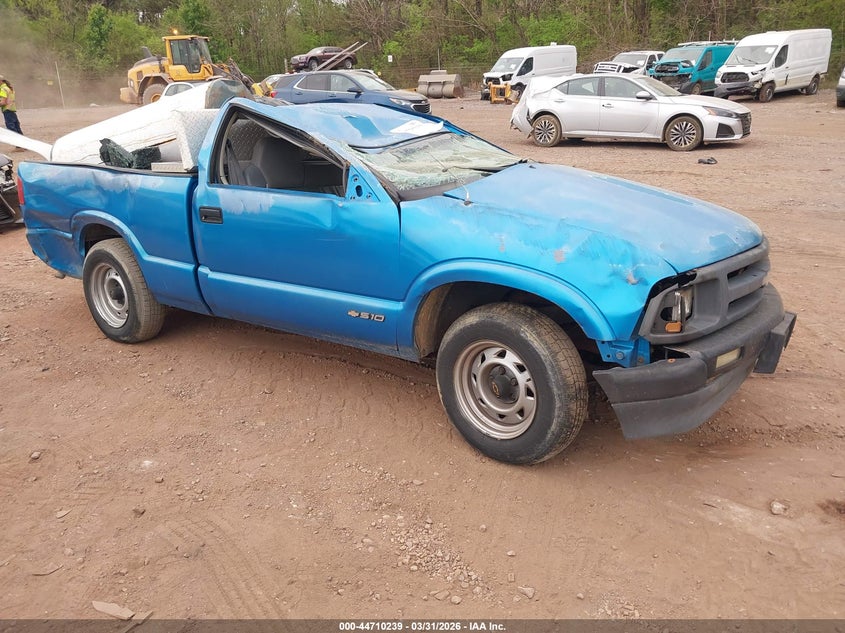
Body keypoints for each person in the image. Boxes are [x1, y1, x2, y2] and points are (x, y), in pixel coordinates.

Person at [0, 75, 24, 147]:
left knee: (11, 128)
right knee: (16, 127)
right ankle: (23, 145)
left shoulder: (2, 89)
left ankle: (19, 146)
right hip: (12, 109)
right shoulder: (9, 88)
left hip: (7, 110)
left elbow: (3, 102)